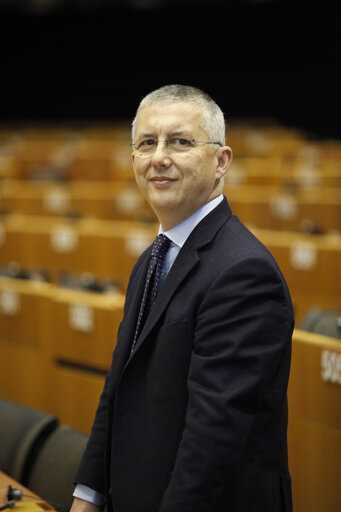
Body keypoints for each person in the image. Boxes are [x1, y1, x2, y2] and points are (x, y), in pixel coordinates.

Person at [71, 85, 294, 512]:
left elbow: (211, 442)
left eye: (181, 142)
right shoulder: (152, 259)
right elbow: (117, 391)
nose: (159, 157)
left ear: (221, 161)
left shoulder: (243, 273)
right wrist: (88, 495)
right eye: (146, 143)